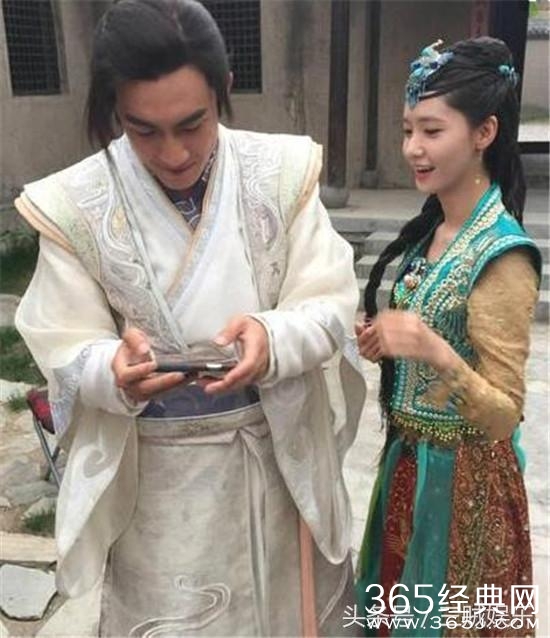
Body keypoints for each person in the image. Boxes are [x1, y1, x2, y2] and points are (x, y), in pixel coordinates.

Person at [14, 0, 366, 635]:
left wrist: (272, 337)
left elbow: (329, 299)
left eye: (192, 124)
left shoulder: (281, 173)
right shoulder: (73, 204)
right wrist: (112, 369)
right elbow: (62, 337)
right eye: (143, 130)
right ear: (115, 111)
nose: (174, 152)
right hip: (160, 482)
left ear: (222, 89)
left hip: (276, 457)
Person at [355, 37, 541, 637]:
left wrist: (429, 347)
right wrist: (388, 344)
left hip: (466, 491)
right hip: (408, 469)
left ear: (484, 132)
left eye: (432, 131)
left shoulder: (501, 253)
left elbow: (504, 415)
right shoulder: (433, 232)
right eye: (408, 130)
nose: (413, 147)